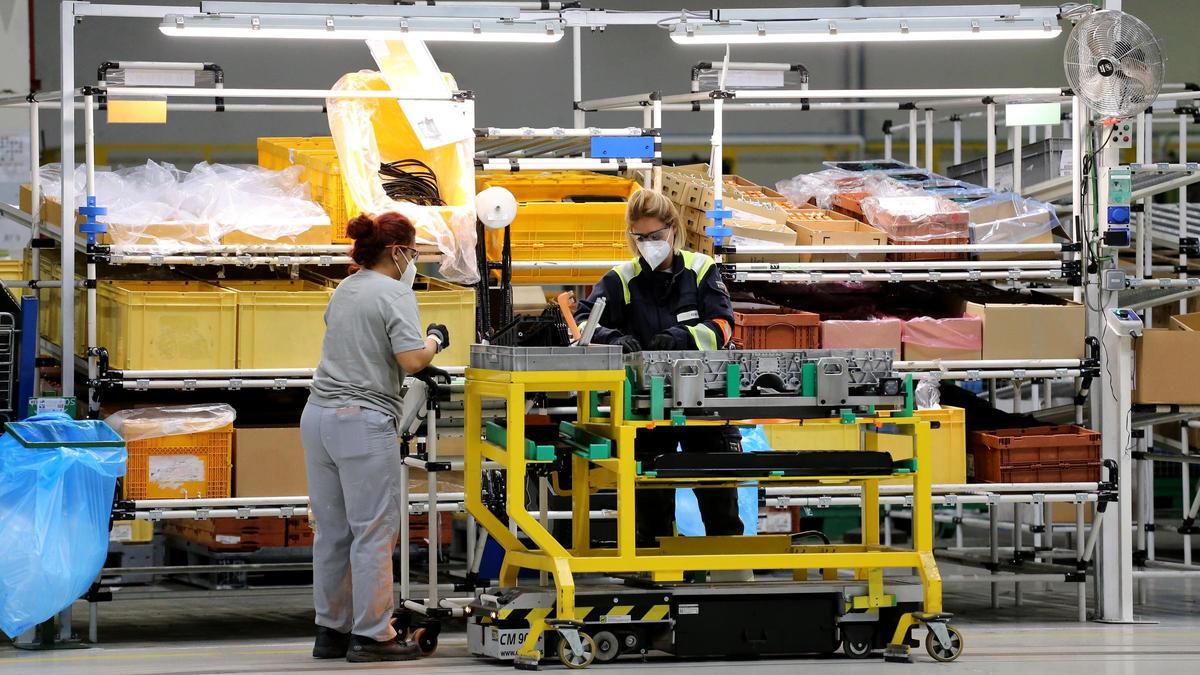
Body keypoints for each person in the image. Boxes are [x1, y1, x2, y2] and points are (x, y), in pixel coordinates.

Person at [301, 211, 450, 663]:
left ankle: (331, 631)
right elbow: (410, 361)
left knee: (332, 531)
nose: (416, 261)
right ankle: (373, 634)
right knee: (373, 532)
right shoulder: (392, 293)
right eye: (414, 252)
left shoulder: (346, 286)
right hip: (361, 422)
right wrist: (435, 340)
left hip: (317, 418)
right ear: (398, 251)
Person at [574, 189, 743, 546]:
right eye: (641, 238)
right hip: (645, 405)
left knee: (719, 502)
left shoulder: (701, 270)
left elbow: (724, 326)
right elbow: (582, 325)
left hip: (704, 402)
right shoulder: (620, 279)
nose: (649, 244)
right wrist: (612, 338)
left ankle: (732, 582)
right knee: (650, 508)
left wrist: (685, 336)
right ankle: (659, 584)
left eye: (656, 236)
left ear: (673, 230)